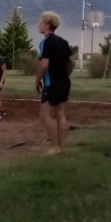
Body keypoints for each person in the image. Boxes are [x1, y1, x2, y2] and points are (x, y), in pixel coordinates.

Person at [35, 11, 76, 155]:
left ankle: (54, 147)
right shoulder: (63, 41)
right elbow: (72, 62)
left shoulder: (46, 42)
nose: (39, 25)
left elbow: (44, 65)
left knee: (45, 115)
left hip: (51, 83)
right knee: (60, 114)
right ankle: (60, 146)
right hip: (64, 82)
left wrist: (37, 80)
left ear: (47, 25)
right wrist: (65, 75)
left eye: (41, 22)